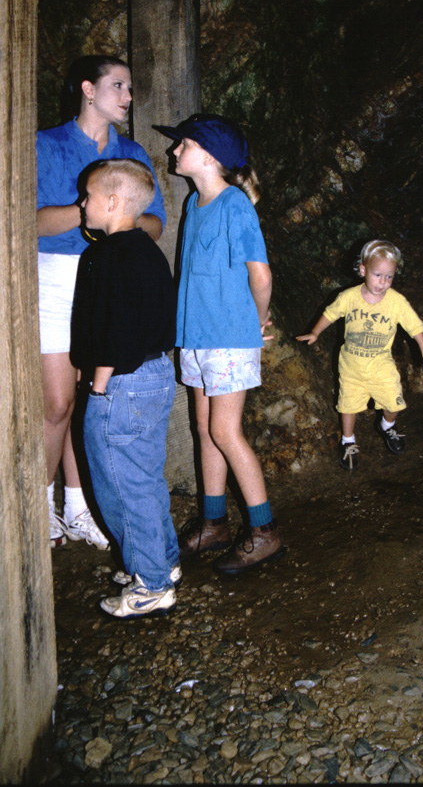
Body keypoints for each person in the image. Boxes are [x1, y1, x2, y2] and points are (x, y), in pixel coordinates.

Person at [37, 55, 167, 549]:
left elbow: (153, 222)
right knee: (57, 402)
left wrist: (122, 223)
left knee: (94, 395)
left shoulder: (131, 151)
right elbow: (30, 222)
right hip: (55, 274)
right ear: (88, 90)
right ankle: (40, 508)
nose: (128, 98)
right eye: (119, 86)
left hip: (110, 277)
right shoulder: (44, 144)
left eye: (130, 88)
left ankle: (78, 506)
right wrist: (90, 212)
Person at [155, 114, 284, 576]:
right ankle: (214, 523)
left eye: (182, 145)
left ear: (208, 157)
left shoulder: (234, 206)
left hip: (229, 338)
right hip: (196, 335)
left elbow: (261, 275)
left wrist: (256, 320)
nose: (174, 152)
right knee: (205, 428)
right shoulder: (195, 204)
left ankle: (265, 531)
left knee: (226, 432)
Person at [71, 159, 179, 618]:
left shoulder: (105, 254)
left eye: (88, 196)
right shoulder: (148, 249)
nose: (82, 204)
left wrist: (97, 388)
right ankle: (163, 561)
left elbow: (113, 328)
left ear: (112, 203)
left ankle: (151, 582)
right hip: (156, 377)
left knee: (120, 485)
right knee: (146, 479)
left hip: (121, 383)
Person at [297, 240, 423, 469]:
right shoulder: (349, 297)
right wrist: (315, 332)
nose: (383, 283)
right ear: (363, 270)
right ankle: (348, 440)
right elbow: (330, 313)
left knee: (394, 402)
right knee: (348, 405)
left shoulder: (396, 302)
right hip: (351, 366)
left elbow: (415, 326)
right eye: (377, 275)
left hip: (381, 365)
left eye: (389, 277)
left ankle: (386, 426)